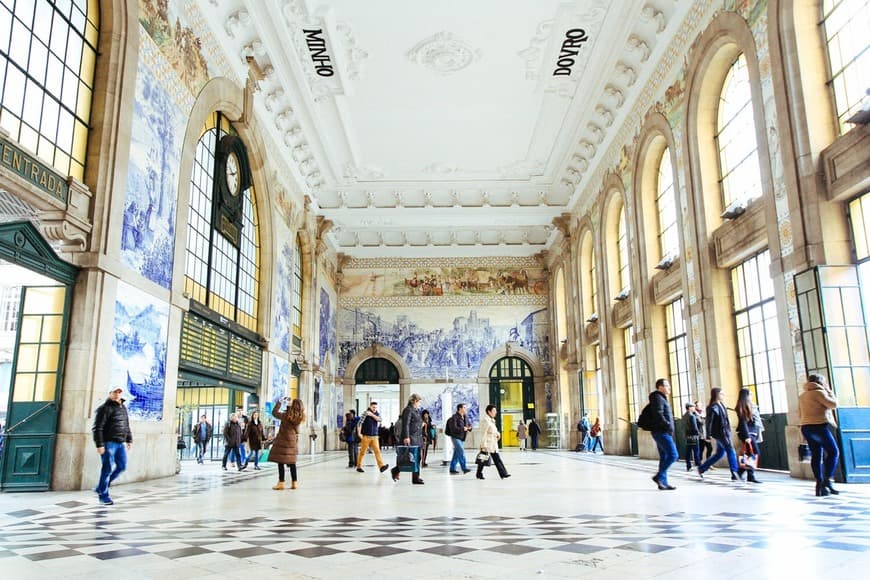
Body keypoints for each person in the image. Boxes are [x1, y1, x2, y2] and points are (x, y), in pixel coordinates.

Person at [799, 374, 839, 496]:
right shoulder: (819, 393)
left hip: (806, 427)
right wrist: (830, 392)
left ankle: (819, 484)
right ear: (821, 382)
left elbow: (799, 413)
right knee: (833, 452)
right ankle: (827, 480)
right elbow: (833, 405)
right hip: (819, 426)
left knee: (816, 455)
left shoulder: (802, 395)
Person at [92, 386, 133, 505]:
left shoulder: (123, 407)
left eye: (119, 392)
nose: (117, 394)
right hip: (108, 442)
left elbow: (126, 424)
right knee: (107, 469)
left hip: (120, 443)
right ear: (110, 393)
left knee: (122, 466)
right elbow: (97, 428)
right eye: (115, 392)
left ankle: (101, 486)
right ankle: (103, 495)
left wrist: (129, 439)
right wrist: (99, 444)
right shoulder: (104, 409)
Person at [697, 387, 740, 481]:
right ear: (716, 394)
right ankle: (735, 472)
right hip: (721, 433)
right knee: (731, 450)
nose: (723, 395)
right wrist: (708, 435)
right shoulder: (713, 407)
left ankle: (702, 468)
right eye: (721, 394)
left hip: (725, 432)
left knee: (720, 453)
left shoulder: (722, 405)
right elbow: (709, 422)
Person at [270, 397, 305, 490]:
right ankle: (294, 483)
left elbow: (274, 413)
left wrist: (280, 402)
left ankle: (281, 483)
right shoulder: (299, 417)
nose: (289, 402)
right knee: (292, 462)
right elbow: (297, 430)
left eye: (291, 402)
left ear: (293, 405)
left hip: (283, 440)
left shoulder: (286, 415)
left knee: (280, 462)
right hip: (292, 440)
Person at [649, 378, 677, 490]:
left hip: (661, 431)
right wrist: (668, 425)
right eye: (667, 386)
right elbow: (659, 415)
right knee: (673, 455)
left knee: (664, 456)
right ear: (660, 387)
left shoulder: (661, 398)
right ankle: (659, 476)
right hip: (661, 431)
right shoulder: (658, 398)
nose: (669, 388)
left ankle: (663, 482)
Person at [391, 393, 425, 484]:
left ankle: (416, 477)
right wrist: (406, 437)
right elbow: (405, 424)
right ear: (414, 401)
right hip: (411, 437)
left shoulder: (416, 410)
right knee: (409, 457)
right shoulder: (408, 410)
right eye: (419, 402)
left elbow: (416, 422)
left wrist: (420, 424)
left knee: (418, 457)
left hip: (417, 437)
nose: (419, 404)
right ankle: (396, 470)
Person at [735, 387, 763, 483]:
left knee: (749, 454)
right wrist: (747, 436)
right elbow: (743, 422)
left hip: (752, 432)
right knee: (755, 452)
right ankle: (741, 472)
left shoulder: (751, 405)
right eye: (750, 394)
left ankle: (747, 474)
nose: (751, 396)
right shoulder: (742, 406)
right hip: (748, 433)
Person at [477, 404, 510, 480]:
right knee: (483, 459)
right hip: (487, 444)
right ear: (489, 411)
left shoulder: (492, 420)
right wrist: (483, 444)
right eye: (494, 411)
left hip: (493, 443)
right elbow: (484, 433)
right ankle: (479, 473)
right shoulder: (485, 420)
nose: (496, 412)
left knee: (495, 459)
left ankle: (503, 473)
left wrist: (498, 434)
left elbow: (494, 430)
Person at [356, 401, 390, 474]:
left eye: (376, 407)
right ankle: (359, 466)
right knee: (362, 452)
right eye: (373, 407)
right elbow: (359, 423)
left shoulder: (376, 414)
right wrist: (359, 433)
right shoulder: (365, 413)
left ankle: (381, 467)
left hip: (375, 436)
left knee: (377, 451)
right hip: (366, 436)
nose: (375, 409)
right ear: (370, 406)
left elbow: (380, 420)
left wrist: (371, 415)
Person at [447, 403, 472, 474]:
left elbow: (469, 425)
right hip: (456, 437)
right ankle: (464, 468)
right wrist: (462, 428)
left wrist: (469, 428)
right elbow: (453, 428)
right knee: (461, 451)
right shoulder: (454, 417)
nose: (465, 409)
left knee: (457, 453)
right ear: (460, 409)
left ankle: (452, 468)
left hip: (462, 438)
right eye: (464, 407)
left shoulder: (465, 417)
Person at [683, 402, 701, 472]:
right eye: (693, 407)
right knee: (696, 451)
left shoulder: (684, 416)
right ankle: (699, 466)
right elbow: (695, 427)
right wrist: (698, 434)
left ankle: (688, 466)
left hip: (687, 435)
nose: (694, 408)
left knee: (688, 451)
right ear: (689, 408)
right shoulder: (692, 416)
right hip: (694, 435)